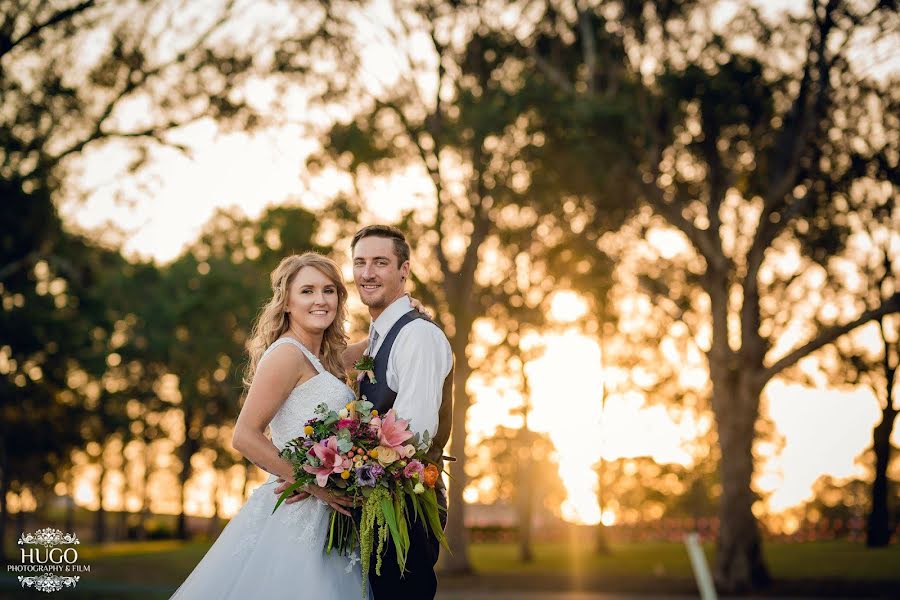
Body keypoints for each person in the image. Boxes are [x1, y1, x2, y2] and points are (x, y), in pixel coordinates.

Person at [171, 252, 367, 599]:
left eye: (329, 290)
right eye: (307, 291)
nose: (320, 300)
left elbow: (351, 358)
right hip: (300, 513)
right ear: (287, 302)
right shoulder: (286, 354)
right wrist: (314, 484)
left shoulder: (319, 359)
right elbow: (244, 436)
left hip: (328, 517)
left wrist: (398, 321)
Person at [276, 225, 453, 599]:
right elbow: (323, 368)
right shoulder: (378, 336)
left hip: (405, 507)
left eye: (380, 262)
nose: (367, 273)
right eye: (359, 263)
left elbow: (412, 436)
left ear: (404, 270)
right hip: (369, 507)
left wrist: (329, 471)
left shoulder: (417, 335)